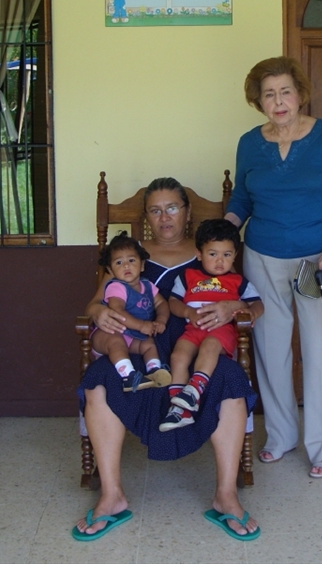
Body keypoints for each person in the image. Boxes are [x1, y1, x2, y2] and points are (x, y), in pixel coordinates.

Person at [74, 178, 261, 542]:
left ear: (187, 213)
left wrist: (233, 306)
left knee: (231, 381)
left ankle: (225, 495)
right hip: (142, 345)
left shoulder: (211, 251)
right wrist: (98, 313)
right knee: (99, 381)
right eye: (155, 211)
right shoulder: (128, 254)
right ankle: (112, 495)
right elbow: (96, 301)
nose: (165, 217)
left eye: (172, 208)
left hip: (200, 343)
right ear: (146, 217)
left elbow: (246, 298)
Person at [225, 56, 322, 480]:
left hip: (315, 261)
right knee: (270, 348)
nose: (278, 101)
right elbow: (242, 199)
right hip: (262, 257)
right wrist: (223, 233)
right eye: (269, 94)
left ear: (300, 95)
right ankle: (281, 436)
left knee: (320, 351)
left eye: (285, 92)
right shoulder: (250, 143)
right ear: (258, 101)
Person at [160, 219, 263, 431]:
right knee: (178, 356)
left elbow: (258, 303)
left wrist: (251, 313)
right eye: (213, 254)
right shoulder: (188, 276)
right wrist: (188, 312)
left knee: (209, 346)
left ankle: (193, 391)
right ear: (199, 254)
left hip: (221, 331)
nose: (220, 261)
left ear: (235, 255)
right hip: (194, 328)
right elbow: (173, 302)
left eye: (227, 255)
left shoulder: (238, 281)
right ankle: (179, 410)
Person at [93, 232, 172, 392]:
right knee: (116, 342)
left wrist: (161, 320)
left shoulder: (147, 285)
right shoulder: (116, 287)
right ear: (111, 270)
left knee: (148, 344)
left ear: (142, 265)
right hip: (109, 334)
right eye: (119, 262)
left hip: (132, 335)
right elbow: (118, 310)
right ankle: (128, 376)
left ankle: (154, 370)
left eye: (131, 260)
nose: (126, 266)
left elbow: (161, 303)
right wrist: (142, 325)